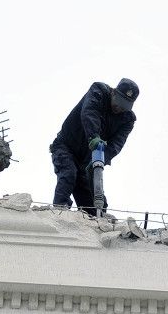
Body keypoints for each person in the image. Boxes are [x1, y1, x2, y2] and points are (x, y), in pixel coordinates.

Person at [51, 78, 138, 213]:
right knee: (69, 174)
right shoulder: (99, 91)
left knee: (93, 196)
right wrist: (94, 136)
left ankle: (99, 220)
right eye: (118, 103)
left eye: (124, 106)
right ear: (113, 93)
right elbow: (90, 112)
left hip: (88, 159)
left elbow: (117, 144)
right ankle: (59, 212)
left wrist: (101, 159)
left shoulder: (127, 120)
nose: (119, 108)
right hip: (66, 146)